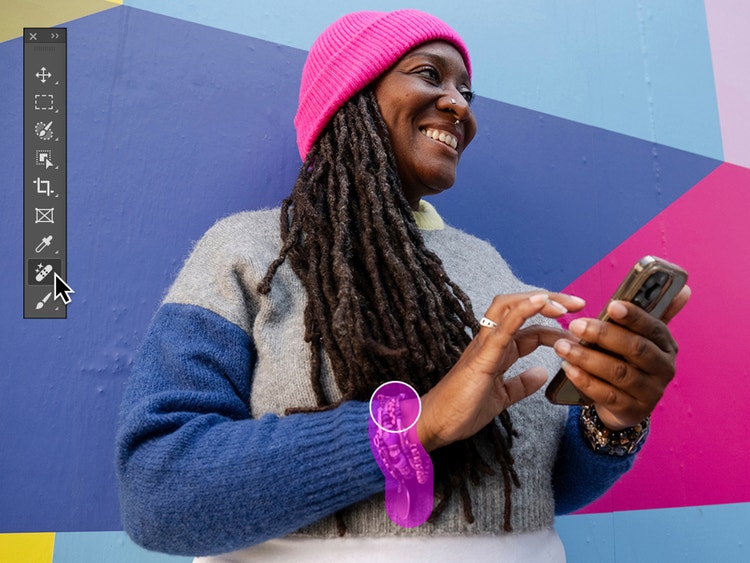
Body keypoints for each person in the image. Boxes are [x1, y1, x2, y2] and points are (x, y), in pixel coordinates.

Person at [116, 9, 689, 562]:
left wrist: (611, 421)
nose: (458, 105)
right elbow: (158, 493)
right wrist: (415, 428)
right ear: (350, 95)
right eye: (429, 74)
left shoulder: (489, 267)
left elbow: (540, 487)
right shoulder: (248, 252)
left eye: (466, 92)